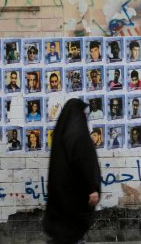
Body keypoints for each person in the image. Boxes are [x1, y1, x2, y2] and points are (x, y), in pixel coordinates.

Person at [43, 98, 101, 244]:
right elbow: (83, 162)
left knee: (61, 234)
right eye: (83, 113)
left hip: (60, 194)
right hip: (75, 195)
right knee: (72, 234)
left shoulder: (61, 131)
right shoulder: (77, 134)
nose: (85, 116)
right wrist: (92, 188)